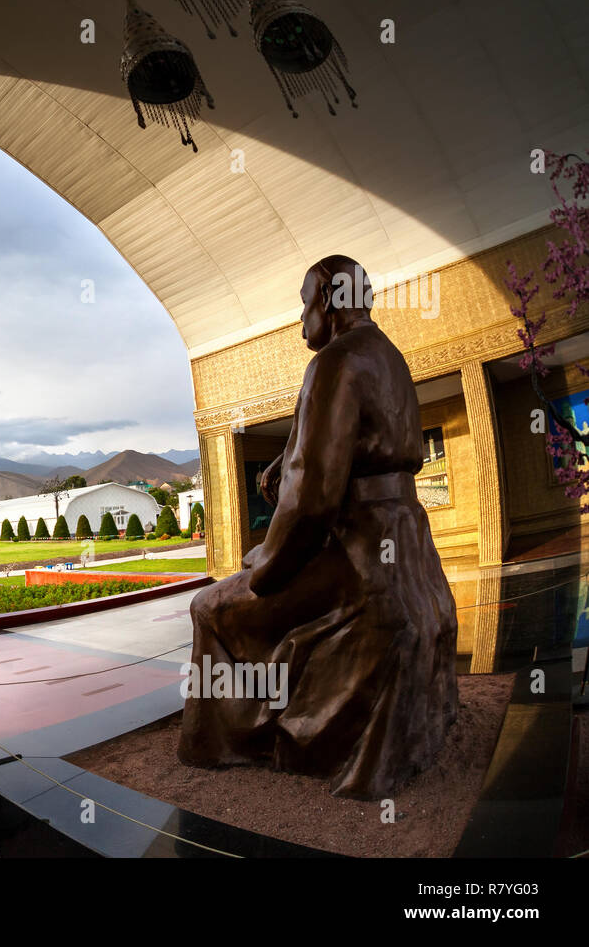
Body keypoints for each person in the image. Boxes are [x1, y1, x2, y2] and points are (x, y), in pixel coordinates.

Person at [177, 255, 458, 799]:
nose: (301, 316)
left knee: (210, 606)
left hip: (356, 559)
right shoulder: (389, 358)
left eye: (304, 303)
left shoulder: (335, 361)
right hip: (405, 544)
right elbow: (347, 449)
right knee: (243, 578)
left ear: (328, 300)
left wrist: (266, 568)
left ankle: (224, 745)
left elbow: (313, 503)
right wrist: (288, 461)